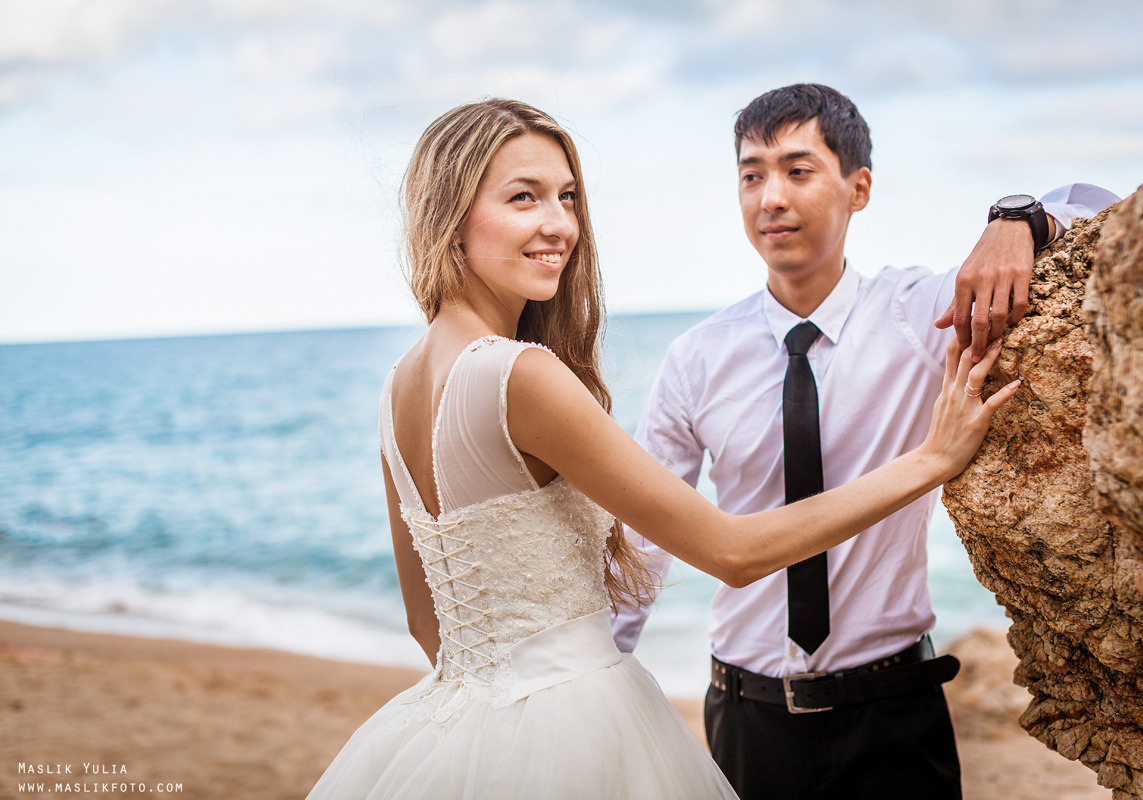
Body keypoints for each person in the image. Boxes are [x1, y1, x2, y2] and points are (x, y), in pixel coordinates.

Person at [305, 97, 1019, 800]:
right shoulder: (521, 373)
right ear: (449, 213)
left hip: (465, 721)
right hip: (589, 717)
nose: (560, 224)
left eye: (567, 197)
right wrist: (932, 460)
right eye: (524, 197)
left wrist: (505, 710)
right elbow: (728, 551)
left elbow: (425, 622)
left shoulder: (399, 382)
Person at [611, 83, 1121, 799]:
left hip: (895, 715)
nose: (771, 198)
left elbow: (1110, 211)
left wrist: (1018, 219)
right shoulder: (695, 358)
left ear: (859, 188)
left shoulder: (921, 315)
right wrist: (598, 683)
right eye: (752, 175)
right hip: (744, 718)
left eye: (798, 170)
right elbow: (641, 544)